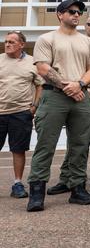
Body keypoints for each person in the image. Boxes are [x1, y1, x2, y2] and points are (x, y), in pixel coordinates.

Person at [27, 0, 90, 211]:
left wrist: (80, 84)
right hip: (54, 97)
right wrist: (67, 87)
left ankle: (77, 190)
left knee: (80, 145)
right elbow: (42, 68)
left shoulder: (88, 42)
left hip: (81, 97)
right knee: (45, 146)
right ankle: (37, 194)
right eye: (71, 11)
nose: (77, 15)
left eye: (79, 12)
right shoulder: (46, 38)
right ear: (60, 14)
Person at [48, 15, 90, 195]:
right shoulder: (75, 42)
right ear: (85, 26)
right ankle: (66, 179)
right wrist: (76, 89)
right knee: (74, 142)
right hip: (72, 95)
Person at [0, 31, 43, 198]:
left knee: (18, 150)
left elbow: (39, 85)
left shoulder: (32, 62)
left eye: (11, 41)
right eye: (6, 41)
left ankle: (17, 184)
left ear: (21, 45)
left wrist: (34, 106)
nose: (8, 44)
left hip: (21, 113)